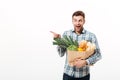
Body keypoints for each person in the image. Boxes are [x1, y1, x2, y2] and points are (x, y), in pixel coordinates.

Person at [50, 10, 102, 80]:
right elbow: (61, 53)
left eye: (80, 20)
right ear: (72, 21)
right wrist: (58, 40)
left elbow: (98, 55)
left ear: (84, 21)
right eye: (75, 20)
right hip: (68, 74)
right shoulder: (66, 34)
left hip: (83, 76)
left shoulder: (91, 36)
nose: (77, 23)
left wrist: (85, 62)